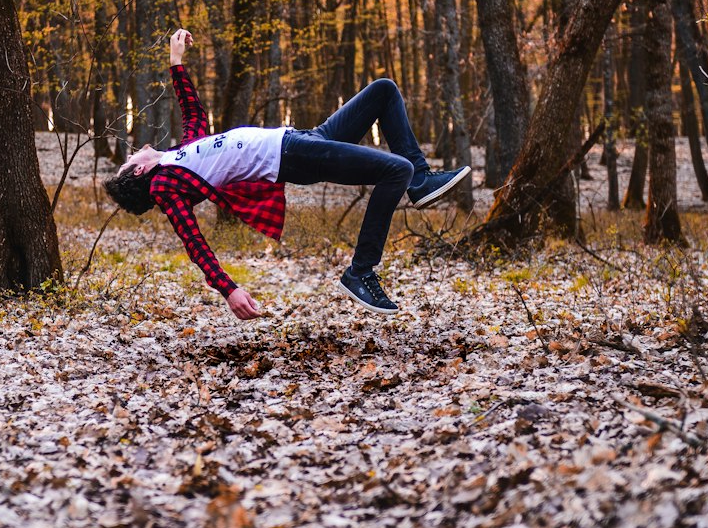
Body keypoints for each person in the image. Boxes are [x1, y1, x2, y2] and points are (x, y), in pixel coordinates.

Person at [103, 29, 469, 318]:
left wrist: (176, 61)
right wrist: (228, 289)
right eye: (131, 158)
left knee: (384, 91)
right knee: (395, 170)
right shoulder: (167, 185)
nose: (137, 150)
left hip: (301, 138)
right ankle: (361, 270)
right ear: (138, 171)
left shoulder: (177, 157)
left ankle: (421, 182)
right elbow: (194, 242)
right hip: (292, 156)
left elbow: (194, 112)